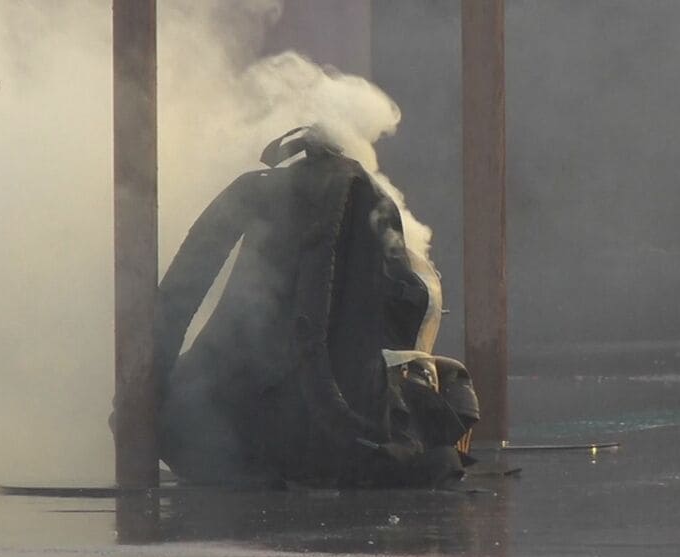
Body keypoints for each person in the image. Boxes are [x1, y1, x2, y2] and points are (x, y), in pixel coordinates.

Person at [117, 128, 479, 488]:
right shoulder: (349, 200)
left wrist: (137, 408)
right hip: (331, 440)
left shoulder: (260, 191)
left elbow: (179, 295)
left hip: (248, 434)